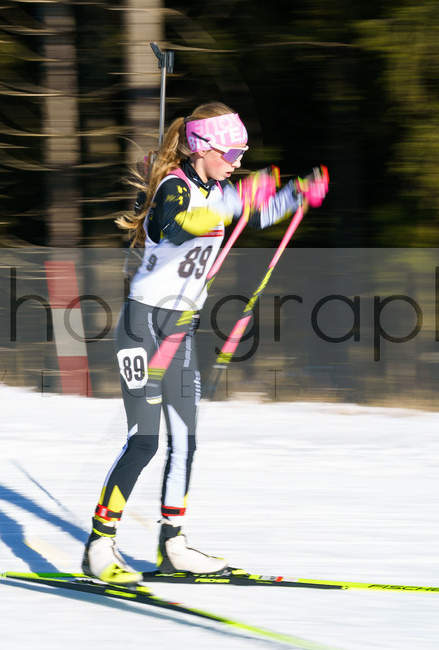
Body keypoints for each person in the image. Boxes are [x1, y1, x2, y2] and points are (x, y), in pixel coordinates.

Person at [82, 101, 328, 584]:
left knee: (186, 440)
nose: (238, 161)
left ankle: (172, 544)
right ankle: (99, 544)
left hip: (181, 327)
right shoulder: (173, 188)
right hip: (142, 326)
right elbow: (173, 227)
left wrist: (294, 195)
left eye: (242, 152)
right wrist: (237, 201)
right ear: (203, 146)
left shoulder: (217, 190)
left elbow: (251, 212)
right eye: (232, 151)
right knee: (145, 440)